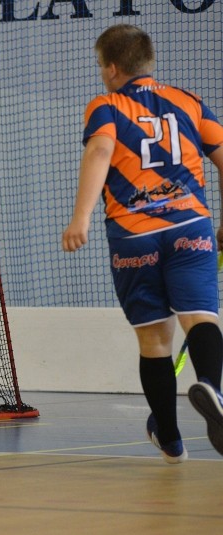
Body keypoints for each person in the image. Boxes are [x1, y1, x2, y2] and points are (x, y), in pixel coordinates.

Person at [61, 24, 223, 463]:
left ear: (112, 68)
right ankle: (212, 387)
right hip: (191, 226)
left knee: (153, 339)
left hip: (134, 236)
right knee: (200, 316)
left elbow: (99, 151)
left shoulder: (106, 106)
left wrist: (80, 218)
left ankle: (170, 440)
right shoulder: (188, 101)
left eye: (100, 66)